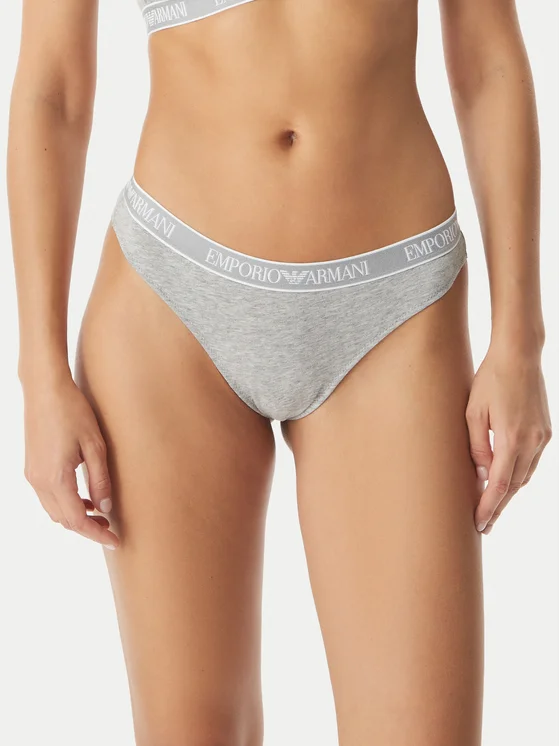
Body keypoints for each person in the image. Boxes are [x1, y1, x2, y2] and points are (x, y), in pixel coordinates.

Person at [7, 1, 552, 744]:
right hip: (170, 302)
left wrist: (521, 341)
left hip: (395, 306)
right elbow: (53, 88)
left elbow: (488, 61)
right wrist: (39, 374)